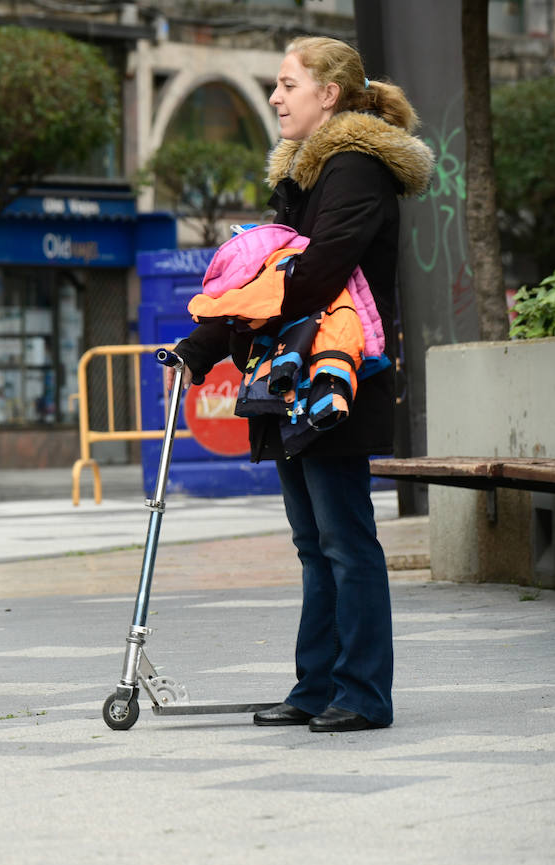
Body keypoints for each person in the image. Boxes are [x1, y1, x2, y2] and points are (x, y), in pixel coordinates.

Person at [168, 37, 434, 732]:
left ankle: (364, 692)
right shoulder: (307, 175)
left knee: (345, 538)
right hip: (293, 376)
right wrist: (195, 350)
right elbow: (265, 278)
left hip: (335, 380)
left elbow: (311, 275)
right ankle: (317, 686)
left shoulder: (355, 169)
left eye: (288, 85)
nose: (276, 98)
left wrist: (252, 289)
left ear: (331, 95)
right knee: (315, 540)